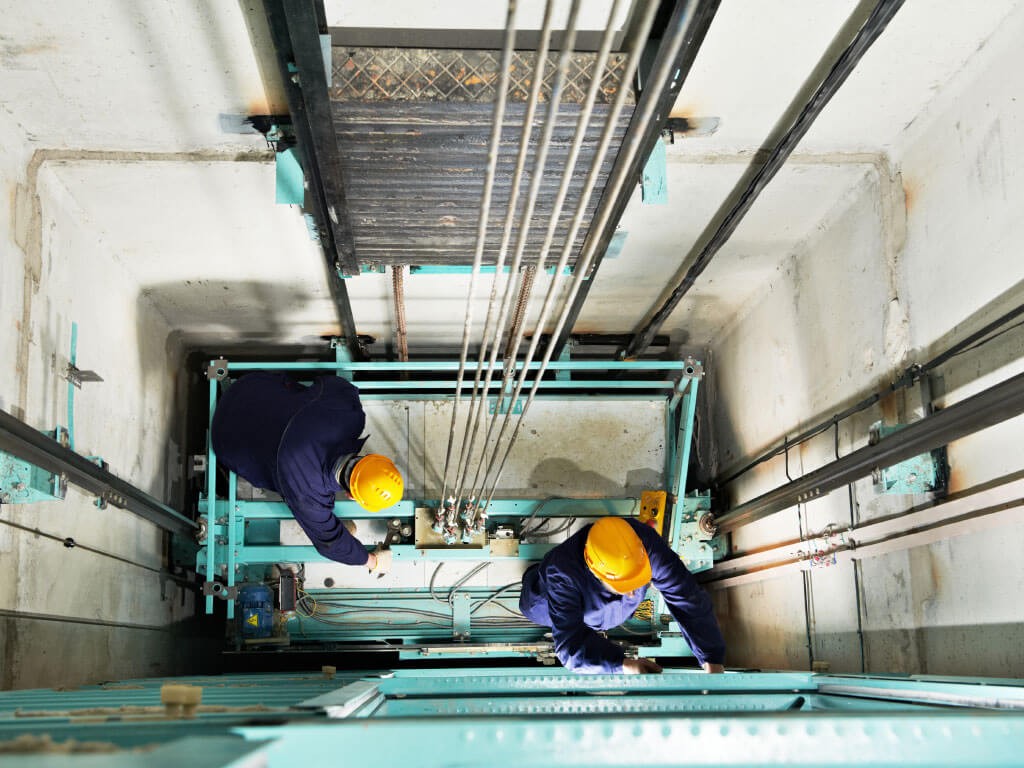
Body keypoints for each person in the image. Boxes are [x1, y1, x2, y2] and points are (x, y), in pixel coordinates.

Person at [211, 372, 403, 573]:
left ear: (370, 457)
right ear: (350, 495)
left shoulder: (349, 415)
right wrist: (372, 561)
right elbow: (331, 543)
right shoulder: (310, 496)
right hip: (226, 438)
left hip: (248, 389)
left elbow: (328, 381)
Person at [519, 516, 725, 674]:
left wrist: (712, 658)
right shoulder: (562, 571)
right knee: (532, 603)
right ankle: (533, 574)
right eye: (626, 586)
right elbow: (570, 646)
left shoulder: (643, 544)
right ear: (595, 572)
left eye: (637, 580)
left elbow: (687, 596)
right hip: (547, 600)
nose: (634, 592)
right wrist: (621, 664)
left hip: (602, 608)